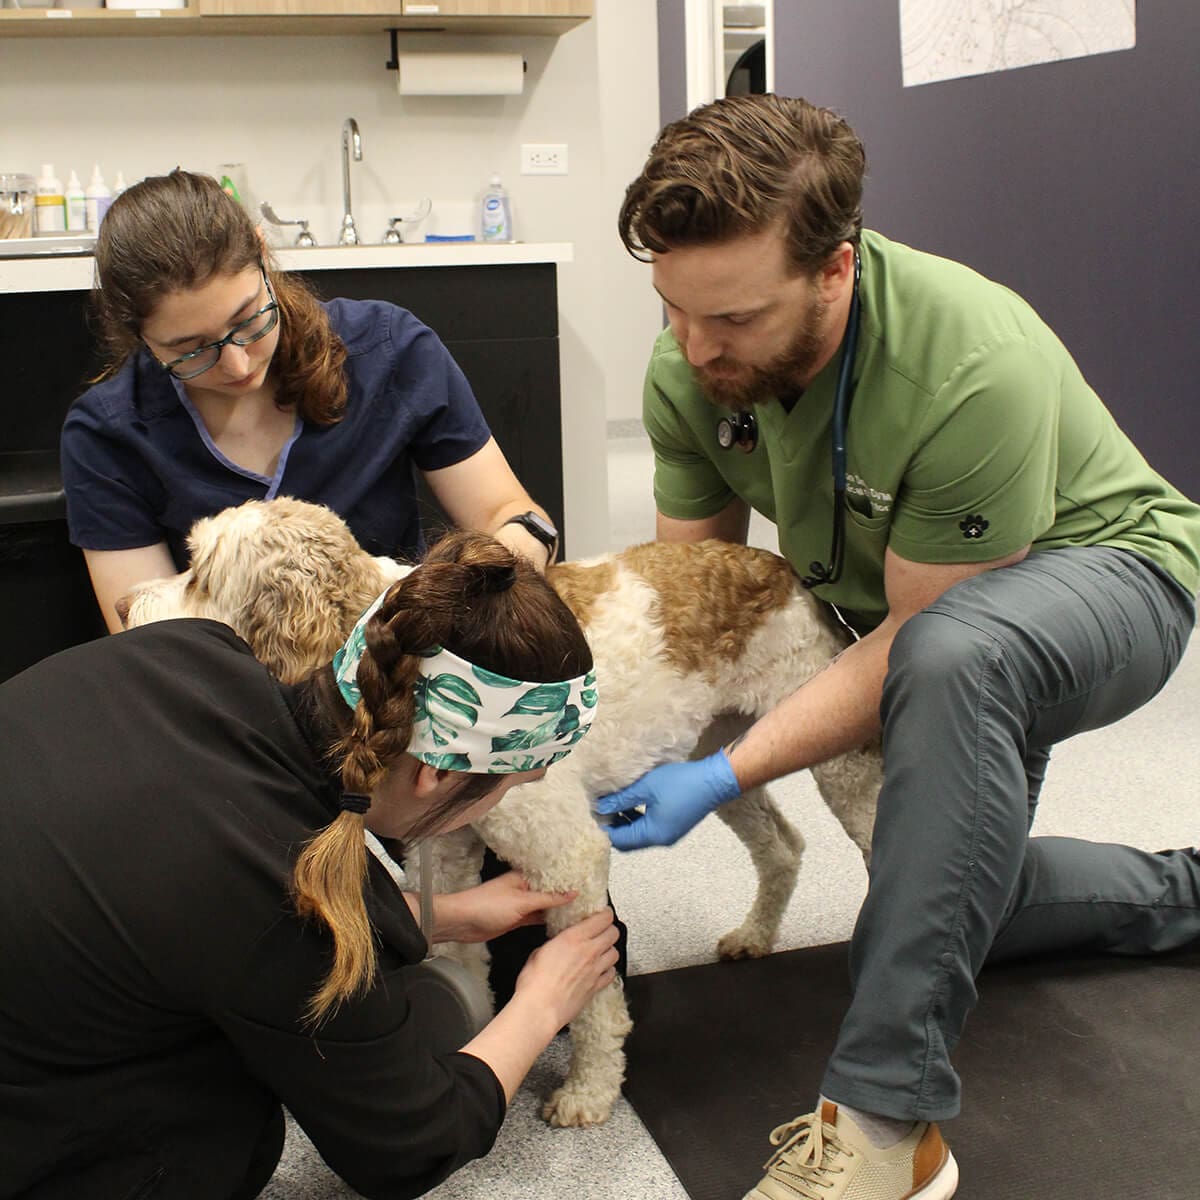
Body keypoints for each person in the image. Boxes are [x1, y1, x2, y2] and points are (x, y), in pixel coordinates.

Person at [597, 93, 1200, 1200]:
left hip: (1114, 578)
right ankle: (1192, 893)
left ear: (835, 269)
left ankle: (886, 1124)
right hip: (932, 628)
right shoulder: (692, 365)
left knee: (953, 658)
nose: (693, 347)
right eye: (674, 310)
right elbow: (696, 595)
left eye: (731, 318)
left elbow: (929, 635)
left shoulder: (969, 358)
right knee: (951, 901)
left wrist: (730, 770)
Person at [0, 530, 618, 1200]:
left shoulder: (196, 648)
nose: (502, 801)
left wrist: (446, 914)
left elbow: (183, 893)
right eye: (512, 783)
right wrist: (542, 1001)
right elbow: (414, 1144)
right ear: (437, 775)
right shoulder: (285, 896)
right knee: (228, 1124)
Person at [60, 168, 561, 636]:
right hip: (227, 698)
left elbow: (510, 514)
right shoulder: (108, 434)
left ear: (262, 255)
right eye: (191, 350)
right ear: (140, 338)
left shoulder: (389, 352)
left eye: (249, 319)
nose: (237, 366)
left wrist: (502, 565)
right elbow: (156, 642)